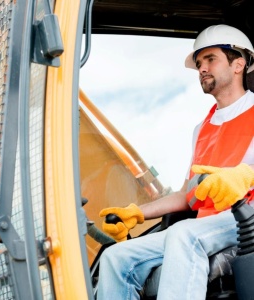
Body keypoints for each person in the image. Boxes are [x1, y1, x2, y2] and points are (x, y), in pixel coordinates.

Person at [96, 24, 254, 300]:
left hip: (245, 217)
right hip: (207, 224)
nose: (202, 68)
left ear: (238, 64)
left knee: (184, 234)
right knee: (115, 257)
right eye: (199, 63)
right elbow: (188, 195)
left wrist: (244, 177)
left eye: (210, 59)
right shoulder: (201, 130)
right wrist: (137, 213)